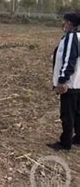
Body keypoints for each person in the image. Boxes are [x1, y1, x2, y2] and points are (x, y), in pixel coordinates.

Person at [49, 13, 80, 151]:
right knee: (78, 113)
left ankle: (65, 142)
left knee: (67, 114)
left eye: (65, 22)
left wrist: (62, 80)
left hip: (70, 84)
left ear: (69, 23)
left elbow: (69, 61)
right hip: (78, 83)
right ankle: (78, 138)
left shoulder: (72, 37)